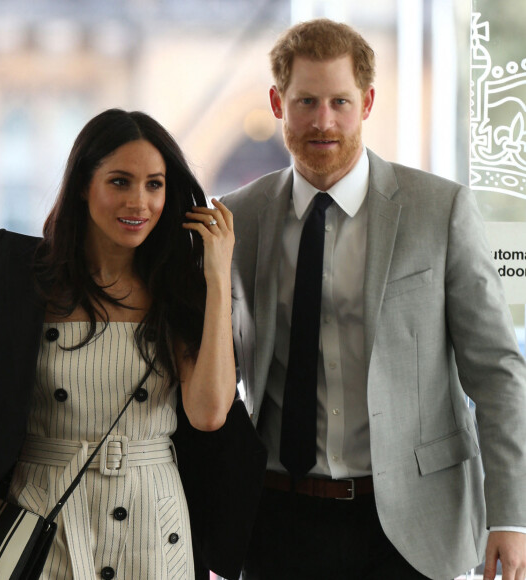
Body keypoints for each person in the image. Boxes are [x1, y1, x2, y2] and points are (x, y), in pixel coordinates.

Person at [221, 18, 526, 580]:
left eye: (339, 100)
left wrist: (511, 517)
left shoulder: (441, 210)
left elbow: (497, 372)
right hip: (276, 520)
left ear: (367, 102)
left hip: (412, 526)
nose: (323, 120)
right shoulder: (238, 218)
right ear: (276, 102)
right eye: (305, 101)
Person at [0, 108, 265, 580]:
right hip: (42, 520)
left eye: (154, 184)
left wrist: (217, 275)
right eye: (120, 181)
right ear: (82, 185)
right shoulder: (20, 278)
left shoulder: (178, 290)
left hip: (154, 530)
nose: (140, 202)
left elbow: (209, 413)